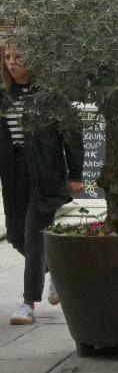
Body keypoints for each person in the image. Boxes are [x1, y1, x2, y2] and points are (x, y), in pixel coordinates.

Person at [1, 38, 83, 325]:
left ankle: (28, 303)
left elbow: (72, 133)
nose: (12, 62)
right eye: (8, 57)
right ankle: (56, 272)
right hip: (14, 176)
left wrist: (75, 175)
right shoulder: (4, 96)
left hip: (46, 173)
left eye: (18, 56)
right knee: (16, 236)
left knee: (34, 237)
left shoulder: (50, 96)